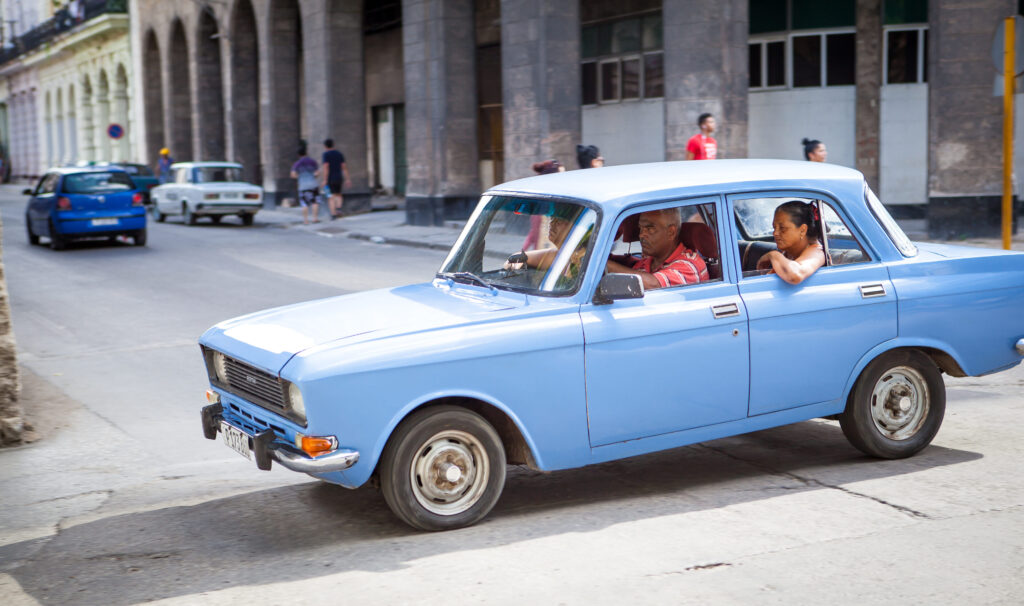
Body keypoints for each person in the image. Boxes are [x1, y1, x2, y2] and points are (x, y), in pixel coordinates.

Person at [605, 208, 708, 289]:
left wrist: (605, 265)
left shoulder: (690, 265)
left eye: (650, 229)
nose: (641, 235)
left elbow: (654, 285)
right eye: (641, 228)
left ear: (671, 232)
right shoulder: (646, 263)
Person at [755, 200, 826, 284]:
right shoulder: (788, 253)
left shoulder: (817, 253)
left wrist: (773, 255)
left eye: (782, 228)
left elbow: (796, 275)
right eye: (774, 228)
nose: (775, 233)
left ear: (802, 230)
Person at [522, 159, 564, 251]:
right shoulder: (544, 195)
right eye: (561, 174)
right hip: (541, 218)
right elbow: (534, 233)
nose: (564, 177)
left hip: (541, 216)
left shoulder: (557, 194)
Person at [321, 138, 350, 219]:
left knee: (330, 196)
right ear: (333, 144)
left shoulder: (326, 154)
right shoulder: (339, 154)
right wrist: (347, 179)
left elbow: (326, 167)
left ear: (325, 146)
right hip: (339, 177)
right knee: (339, 194)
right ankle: (339, 208)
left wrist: (325, 180)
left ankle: (333, 214)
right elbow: (344, 167)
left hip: (330, 178)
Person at [290, 146, 321, 224]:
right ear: (306, 153)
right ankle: (315, 218)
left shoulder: (297, 164)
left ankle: (306, 220)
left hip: (303, 185)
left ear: (298, 154)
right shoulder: (312, 162)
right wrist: (313, 176)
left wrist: (299, 177)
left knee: (304, 203)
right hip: (313, 184)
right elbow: (317, 173)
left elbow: (292, 174)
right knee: (315, 202)